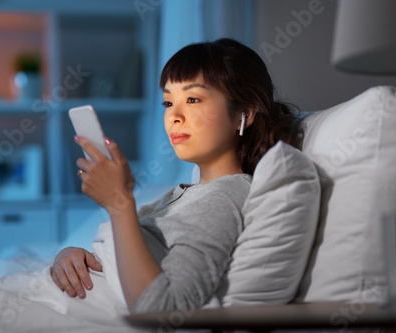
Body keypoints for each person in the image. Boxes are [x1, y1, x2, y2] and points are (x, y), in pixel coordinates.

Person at [50, 37, 303, 313]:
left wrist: (119, 202)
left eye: (192, 99)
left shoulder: (225, 196)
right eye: (168, 103)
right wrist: (73, 257)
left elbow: (163, 309)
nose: (174, 116)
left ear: (245, 113)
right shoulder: (185, 193)